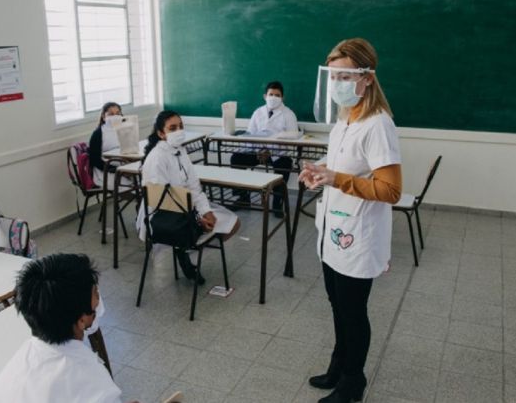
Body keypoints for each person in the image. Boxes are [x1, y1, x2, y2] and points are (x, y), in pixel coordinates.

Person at [299, 38, 402, 403]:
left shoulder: (378, 124)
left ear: (367, 78)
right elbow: (343, 165)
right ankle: (338, 366)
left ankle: (352, 383)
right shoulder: (346, 119)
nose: (337, 84)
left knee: (353, 312)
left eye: (345, 76)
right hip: (334, 230)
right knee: (337, 305)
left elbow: (391, 190)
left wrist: (336, 178)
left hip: (358, 236)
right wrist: (319, 170)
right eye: (333, 76)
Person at [0, 254, 138, 403]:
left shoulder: (6, 379)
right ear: (81, 320)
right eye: (95, 293)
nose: (99, 299)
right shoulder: (98, 387)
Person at [141, 110, 241, 284]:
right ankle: (184, 249)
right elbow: (164, 201)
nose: (179, 131)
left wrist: (205, 211)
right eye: (173, 128)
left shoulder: (180, 150)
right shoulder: (157, 157)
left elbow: (193, 186)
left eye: (181, 126)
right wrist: (196, 218)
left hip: (186, 208)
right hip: (163, 217)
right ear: (161, 133)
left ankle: (184, 249)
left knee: (233, 223)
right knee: (209, 229)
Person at [230, 81, 298, 215]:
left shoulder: (289, 114)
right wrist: (259, 151)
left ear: (282, 98)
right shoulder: (258, 112)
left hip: (278, 153)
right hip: (258, 152)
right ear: (265, 96)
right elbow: (250, 134)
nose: (273, 97)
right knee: (236, 159)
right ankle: (243, 198)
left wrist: (270, 151)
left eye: (277, 95)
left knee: (285, 164)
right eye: (271, 94)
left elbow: (292, 139)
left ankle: (277, 203)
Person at [89, 102, 123, 189]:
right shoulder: (98, 134)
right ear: (104, 117)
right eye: (111, 114)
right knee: (130, 185)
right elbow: (95, 160)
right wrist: (115, 169)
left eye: (118, 113)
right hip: (105, 171)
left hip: (124, 167)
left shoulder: (124, 129)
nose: (115, 116)